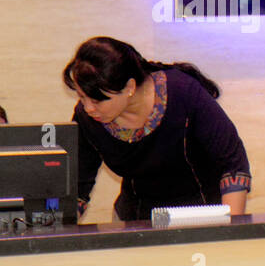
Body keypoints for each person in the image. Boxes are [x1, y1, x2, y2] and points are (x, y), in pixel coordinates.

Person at [62, 36, 251, 221]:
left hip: (200, 215)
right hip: (135, 220)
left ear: (129, 87)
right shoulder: (86, 118)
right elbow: (76, 185)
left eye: (97, 100)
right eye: (82, 97)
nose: (88, 108)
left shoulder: (183, 94)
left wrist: (229, 229)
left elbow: (232, 165)